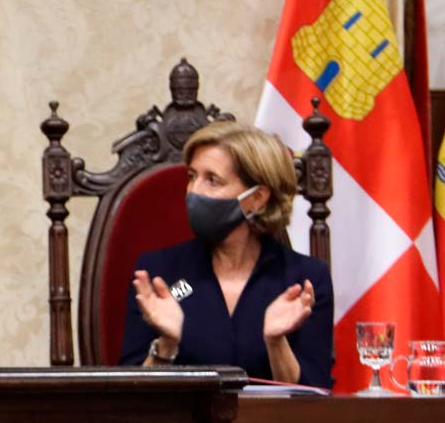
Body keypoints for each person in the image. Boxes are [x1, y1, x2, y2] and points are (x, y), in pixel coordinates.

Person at [120, 121, 332, 387]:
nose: (194, 191)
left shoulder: (303, 282)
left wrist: (276, 344)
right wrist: (166, 345)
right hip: (182, 416)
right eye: (192, 176)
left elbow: (314, 397)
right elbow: (129, 394)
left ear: (257, 198)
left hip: (268, 417)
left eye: (212, 180)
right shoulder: (161, 276)